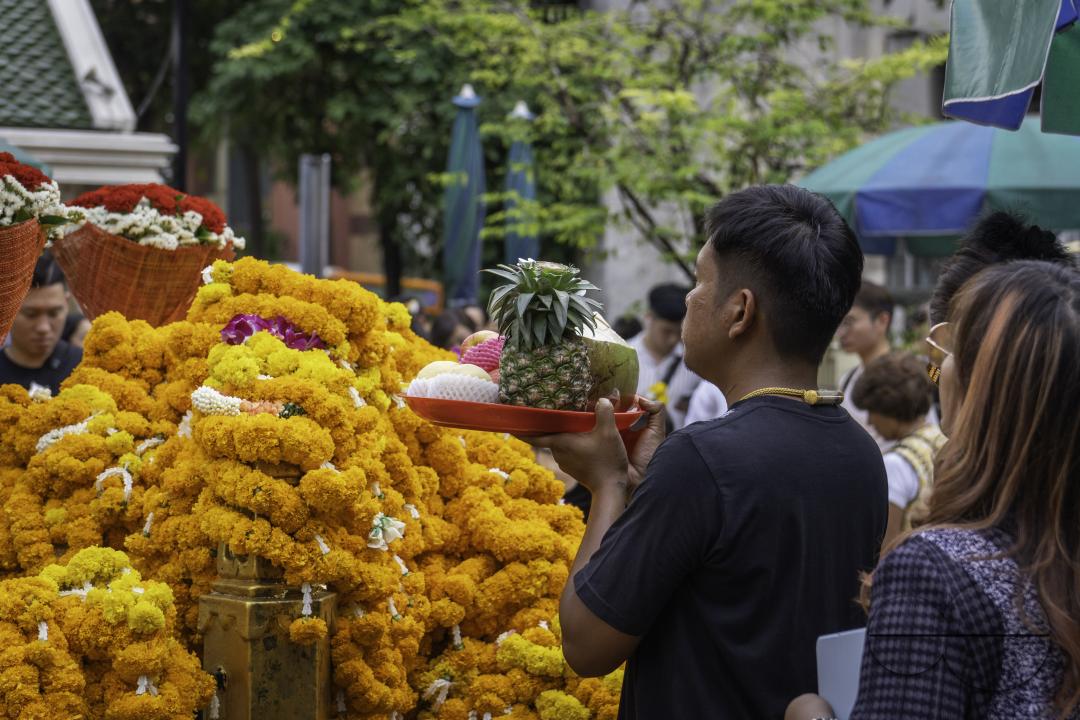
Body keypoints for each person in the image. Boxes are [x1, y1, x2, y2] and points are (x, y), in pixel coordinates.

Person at [533, 185, 886, 719]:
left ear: (740, 311)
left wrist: (606, 484)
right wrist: (649, 483)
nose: (691, 298)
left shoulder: (703, 457)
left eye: (701, 281)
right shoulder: (861, 452)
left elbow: (586, 645)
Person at [788, 260, 1080, 720]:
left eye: (951, 347)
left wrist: (809, 714)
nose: (938, 366)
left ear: (988, 388)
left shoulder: (933, 572)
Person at [850, 352, 945, 550]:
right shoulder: (940, 438)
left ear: (888, 406)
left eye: (871, 411)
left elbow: (889, 548)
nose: (869, 421)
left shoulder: (896, 464)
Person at [0, 253, 82, 396]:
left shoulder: (85, 367)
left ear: (66, 303)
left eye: (54, 313)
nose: (43, 327)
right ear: (6, 309)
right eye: (30, 314)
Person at [627, 283, 701, 430]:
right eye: (666, 331)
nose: (673, 339)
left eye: (679, 332)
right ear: (649, 318)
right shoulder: (626, 356)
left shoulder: (695, 364)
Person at [836, 281, 894, 450]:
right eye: (839, 323)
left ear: (882, 321)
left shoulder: (921, 369)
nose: (841, 333)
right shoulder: (847, 380)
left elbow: (941, 378)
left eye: (849, 322)